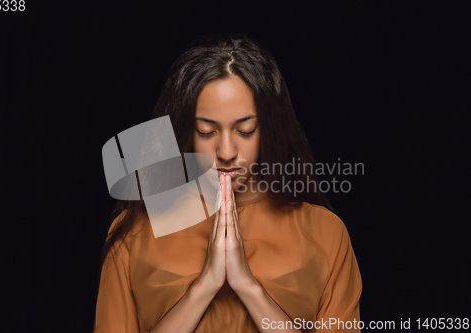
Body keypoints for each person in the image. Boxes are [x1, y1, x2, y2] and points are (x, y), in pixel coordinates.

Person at [93, 34, 362, 332]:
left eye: (245, 131)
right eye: (207, 132)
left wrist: (248, 287)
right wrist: (204, 287)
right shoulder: (134, 232)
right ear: (185, 132)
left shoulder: (325, 233)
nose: (226, 152)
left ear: (268, 130)